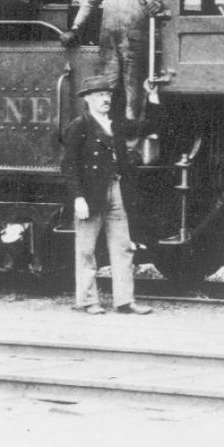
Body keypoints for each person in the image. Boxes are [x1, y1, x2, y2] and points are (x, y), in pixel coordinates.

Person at [61, 74, 160, 315]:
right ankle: (87, 301)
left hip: (117, 190)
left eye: (107, 95)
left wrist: (152, 96)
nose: (105, 99)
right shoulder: (79, 126)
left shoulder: (116, 124)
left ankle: (125, 301)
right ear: (88, 100)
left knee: (123, 247)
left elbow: (147, 127)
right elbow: (69, 165)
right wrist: (78, 198)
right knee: (86, 251)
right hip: (90, 193)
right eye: (99, 95)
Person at [62, 0, 165, 120]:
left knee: (133, 88)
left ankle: (133, 135)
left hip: (135, 42)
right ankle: (105, 133)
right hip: (108, 41)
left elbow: (157, 3)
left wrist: (155, 5)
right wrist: (75, 28)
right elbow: (89, 2)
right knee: (105, 87)